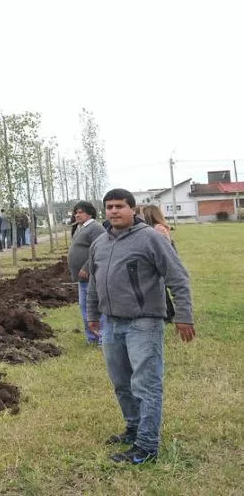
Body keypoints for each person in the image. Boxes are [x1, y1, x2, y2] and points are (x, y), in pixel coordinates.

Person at [86, 188, 194, 465]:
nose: (113, 211)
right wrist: (92, 314)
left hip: (144, 321)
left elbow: (178, 277)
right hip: (111, 323)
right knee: (121, 383)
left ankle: (147, 446)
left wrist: (184, 315)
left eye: (119, 206)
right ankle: (133, 428)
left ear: (132, 209)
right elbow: (95, 283)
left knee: (145, 384)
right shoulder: (100, 243)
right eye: (109, 207)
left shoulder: (150, 239)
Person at [68, 201, 103, 344]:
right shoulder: (79, 228)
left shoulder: (95, 228)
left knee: (94, 307)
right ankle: (92, 338)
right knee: (84, 307)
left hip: (91, 276)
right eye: (76, 212)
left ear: (90, 213)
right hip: (81, 278)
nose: (77, 215)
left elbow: (100, 249)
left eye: (80, 212)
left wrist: (87, 267)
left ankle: (101, 338)